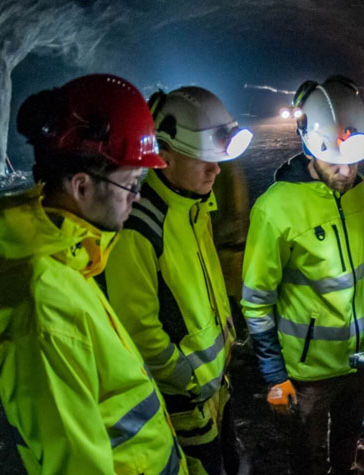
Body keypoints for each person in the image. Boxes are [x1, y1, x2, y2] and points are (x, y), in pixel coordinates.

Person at [0, 74, 186, 474]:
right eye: (130, 183)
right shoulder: (41, 307)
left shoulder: (72, 260)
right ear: (82, 186)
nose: (137, 198)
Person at [102, 86, 253, 475]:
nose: (216, 170)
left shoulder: (193, 205)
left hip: (214, 389)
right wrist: (182, 376)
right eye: (204, 160)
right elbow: (136, 327)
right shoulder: (140, 226)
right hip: (184, 402)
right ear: (164, 159)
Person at [240, 75, 364, 475]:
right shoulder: (275, 207)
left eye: (353, 158)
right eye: (334, 159)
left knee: (347, 449)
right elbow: (256, 299)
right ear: (308, 144)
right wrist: (274, 375)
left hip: (359, 361)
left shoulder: (363, 191)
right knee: (309, 462)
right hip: (307, 374)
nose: (346, 169)